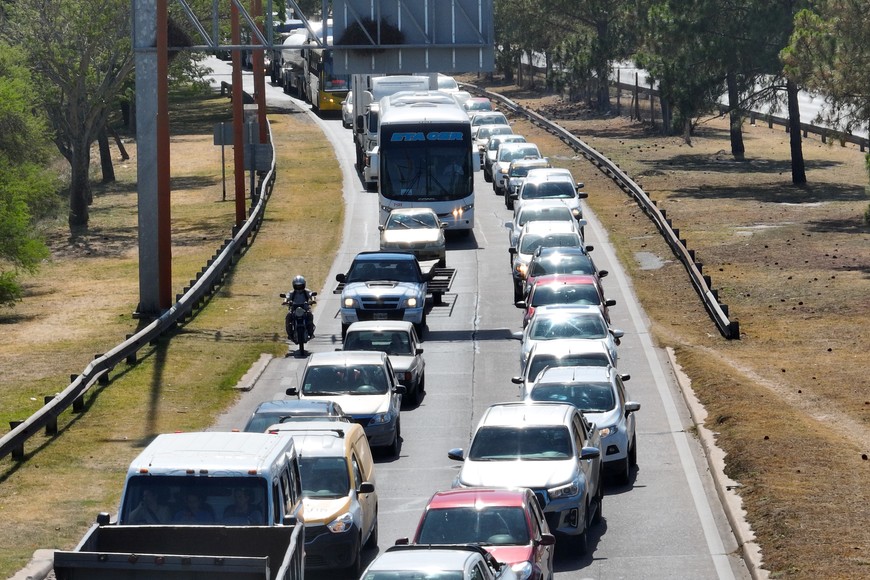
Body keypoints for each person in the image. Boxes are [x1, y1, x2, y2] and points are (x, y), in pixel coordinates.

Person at [283, 275, 315, 341]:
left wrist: (312, 300)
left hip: (305, 309)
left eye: (300, 285)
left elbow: (311, 295)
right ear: (294, 285)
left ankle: (311, 332)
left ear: (304, 285)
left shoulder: (306, 291)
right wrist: (285, 301)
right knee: (288, 317)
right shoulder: (292, 293)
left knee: (310, 315)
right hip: (294, 309)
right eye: (297, 286)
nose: (299, 287)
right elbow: (287, 297)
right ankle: (290, 334)